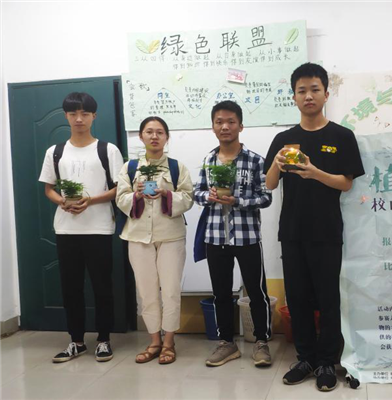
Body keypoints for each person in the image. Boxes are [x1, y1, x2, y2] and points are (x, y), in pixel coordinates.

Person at [264, 63, 365, 391]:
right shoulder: (284, 140)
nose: (308, 96)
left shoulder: (341, 136)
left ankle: (326, 361)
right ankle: (305, 358)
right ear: (293, 97)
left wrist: (314, 172)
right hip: (292, 231)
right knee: (298, 298)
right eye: (302, 91)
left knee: (328, 298)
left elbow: (346, 183)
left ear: (326, 94)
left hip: (327, 231)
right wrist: (277, 163)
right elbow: (269, 184)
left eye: (314, 90)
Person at [39, 92, 124, 363]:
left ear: (93, 116)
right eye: (73, 114)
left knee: (102, 286)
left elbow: (120, 188)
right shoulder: (55, 152)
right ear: (66, 116)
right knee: (71, 287)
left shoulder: (107, 150)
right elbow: (48, 189)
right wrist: (62, 201)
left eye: (85, 113)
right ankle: (76, 341)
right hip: (66, 229)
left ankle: (103, 339)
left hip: (99, 228)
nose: (79, 119)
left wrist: (91, 200)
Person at [194, 100, 273, 367]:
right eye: (219, 122)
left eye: (230, 121)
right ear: (213, 127)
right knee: (221, 293)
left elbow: (266, 197)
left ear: (240, 125)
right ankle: (226, 343)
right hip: (215, 237)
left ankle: (261, 342)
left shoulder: (255, 160)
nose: (225, 126)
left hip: (247, 237)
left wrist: (237, 201)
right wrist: (208, 196)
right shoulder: (208, 159)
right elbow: (197, 193)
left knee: (256, 292)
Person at [116, 116, 193, 365]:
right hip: (138, 237)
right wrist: (136, 195)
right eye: (149, 132)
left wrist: (166, 194)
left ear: (167, 137)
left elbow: (188, 198)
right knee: (146, 292)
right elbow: (120, 198)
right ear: (141, 136)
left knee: (170, 291)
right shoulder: (130, 168)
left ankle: (169, 342)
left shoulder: (177, 167)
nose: (154, 136)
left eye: (160, 132)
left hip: (171, 236)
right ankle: (154, 342)